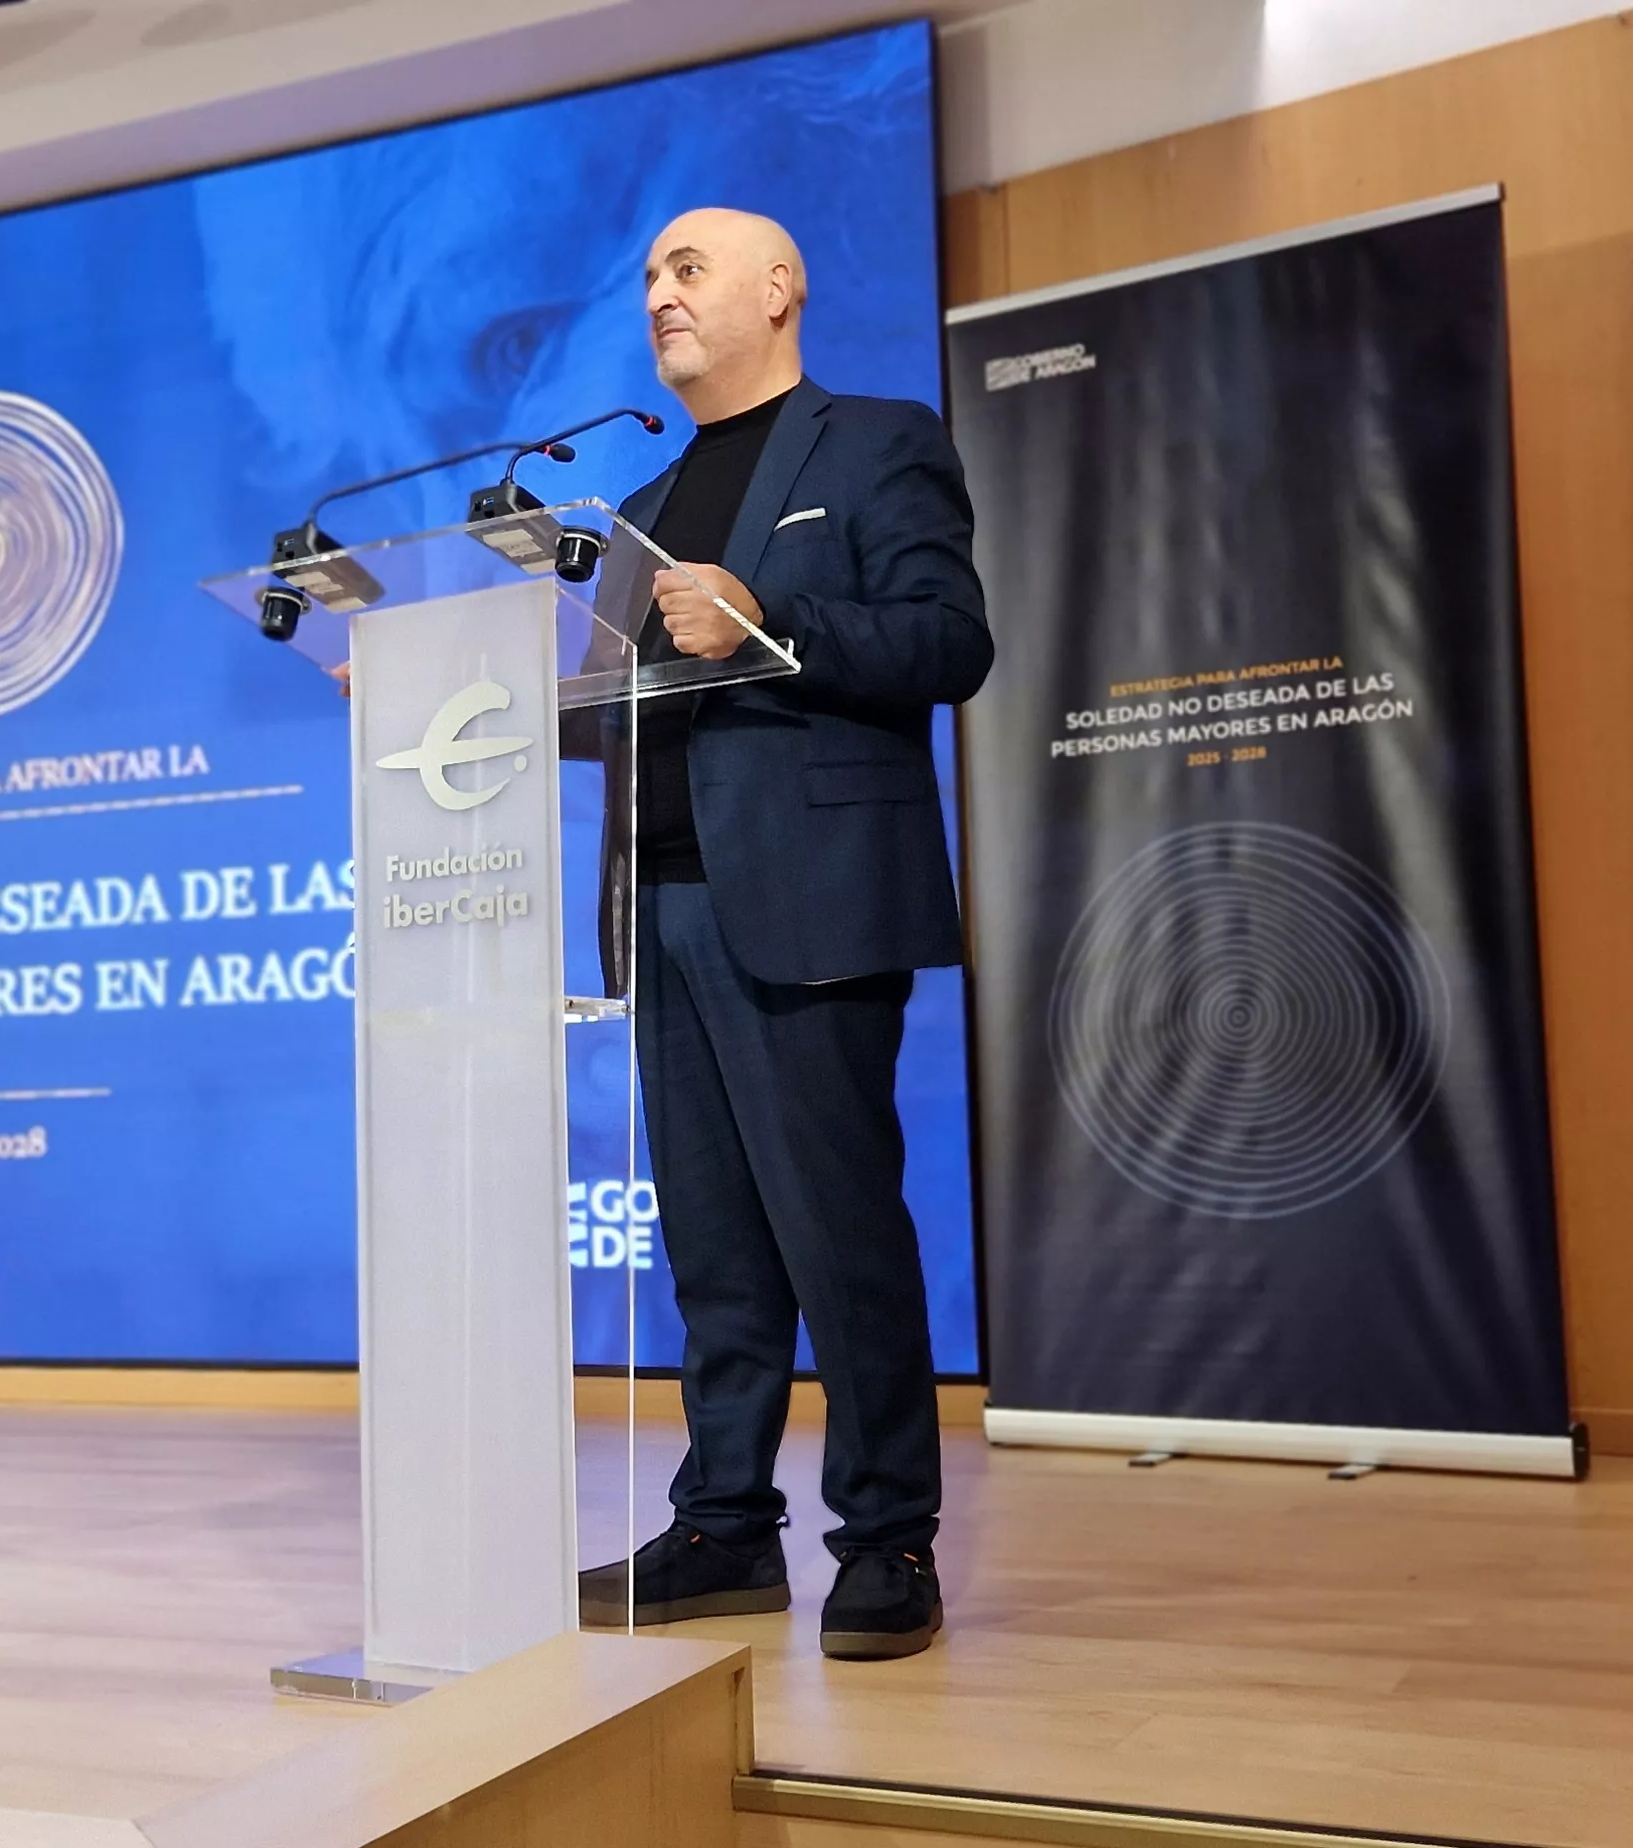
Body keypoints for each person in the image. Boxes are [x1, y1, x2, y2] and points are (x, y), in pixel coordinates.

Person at [578, 207, 990, 1661]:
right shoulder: (642, 499)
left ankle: (885, 1539)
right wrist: (442, 706)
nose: (659, 299)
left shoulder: (875, 443)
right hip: (664, 905)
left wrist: (774, 622)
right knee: (713, 1251)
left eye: (685, 271)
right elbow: (605, 710)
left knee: (839, 1235)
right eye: (646, 281)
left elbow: (951, 640)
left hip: (810, 901)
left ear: (779, 288)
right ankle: (725, 1527)